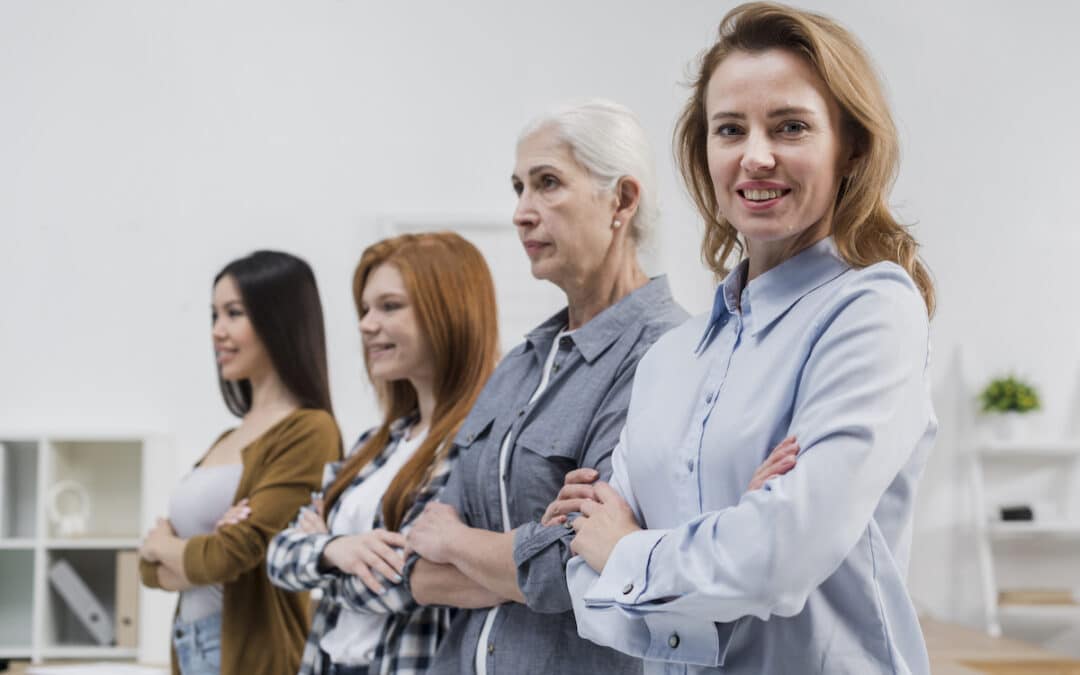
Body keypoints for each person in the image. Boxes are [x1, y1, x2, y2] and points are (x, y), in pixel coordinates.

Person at [557, 4, 938, 674]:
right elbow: (583, 582)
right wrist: (727, 540)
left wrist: (633, 552)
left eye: (790, 127)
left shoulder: (871, 309)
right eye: (729, 129)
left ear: (850, 145)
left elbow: (779, 557)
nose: (756, 156)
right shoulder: (669, 359)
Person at [263, 232, 501, 675]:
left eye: (389, 306)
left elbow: (402, 583)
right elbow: (278, 555)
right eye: (365, 309)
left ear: (448, 312)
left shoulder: (478, 445)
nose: (366, 324)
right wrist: (339, 549)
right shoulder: (374, 444)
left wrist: (320, 549)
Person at [138, 250, 342, 675]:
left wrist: (165, 546)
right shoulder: (226, 439)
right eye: (214, 315)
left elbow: (233, 556)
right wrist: (193, 557)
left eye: (234, 314)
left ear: (277, 320)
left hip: (250, 656)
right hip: (190, 647)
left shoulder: (309, 430)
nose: (218, 331)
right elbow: (149, 569)